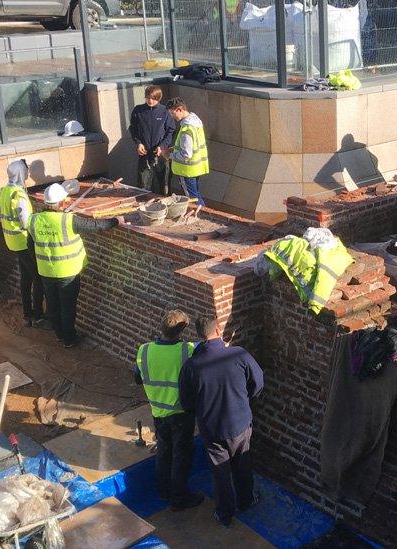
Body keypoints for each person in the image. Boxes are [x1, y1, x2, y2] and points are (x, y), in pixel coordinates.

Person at [179, 316, 264, 527]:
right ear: (218, 330)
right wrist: (246, 401)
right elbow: (258, 382)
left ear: (199, 335)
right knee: (242, 464)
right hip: (240, 423)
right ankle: (246, 501)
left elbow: (186, 402)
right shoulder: (239, 355)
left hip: (212, 428)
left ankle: (225, 513)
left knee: (220, 472)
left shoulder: (191, 367)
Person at [27, 182, 120, 348]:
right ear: (62, 203)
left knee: (53, 305)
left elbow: (30, 245)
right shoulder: (68, 220)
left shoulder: (33, 220)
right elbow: (96, 226)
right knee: (68, 306)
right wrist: (116, 220)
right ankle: (69, 339)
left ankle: (60, 334)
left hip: (46, 271)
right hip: (68, 273)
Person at [135, 310, 204, 511]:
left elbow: (137, 378)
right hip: (181, 414)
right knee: (181, 456)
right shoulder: (187, 350)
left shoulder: (144, 350)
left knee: (164, 453)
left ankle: (164, 491)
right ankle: (179, 498)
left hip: (158, 412)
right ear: (182, 330)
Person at [0, 159, 47, 328]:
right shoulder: (19, 195)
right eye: (25, 172)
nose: (27, 175)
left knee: (26, 277)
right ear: (20, 174)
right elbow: (26, 223)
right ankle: (38, 315)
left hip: (11, 241)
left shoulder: (3, 191)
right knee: (38, 278)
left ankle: (27, 314)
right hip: (24, 241)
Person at [162, 98, 209, 218]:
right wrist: (174, 149)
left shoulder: (186, 129)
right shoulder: (195, 122)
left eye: (173, 113)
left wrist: (169, 155)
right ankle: (205, 214)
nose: (172, 117)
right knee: (196, 195)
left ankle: (201, 217)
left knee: (192, 199)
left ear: (180, 110)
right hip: (196, 168)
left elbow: (186, 155)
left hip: (186, 170)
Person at [129, 85, 176, 196]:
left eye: (153, 98)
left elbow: (171, 131)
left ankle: (164, 204)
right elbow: (133, 129)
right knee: (143, 185)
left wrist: (163, 146)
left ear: (158, 98)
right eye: (148, 98)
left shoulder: (165, 111)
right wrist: (138, 143)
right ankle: (144, 204)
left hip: (161, 154)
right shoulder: (138, 110)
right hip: (144, 154)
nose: (150, 101)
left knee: (164, 184)